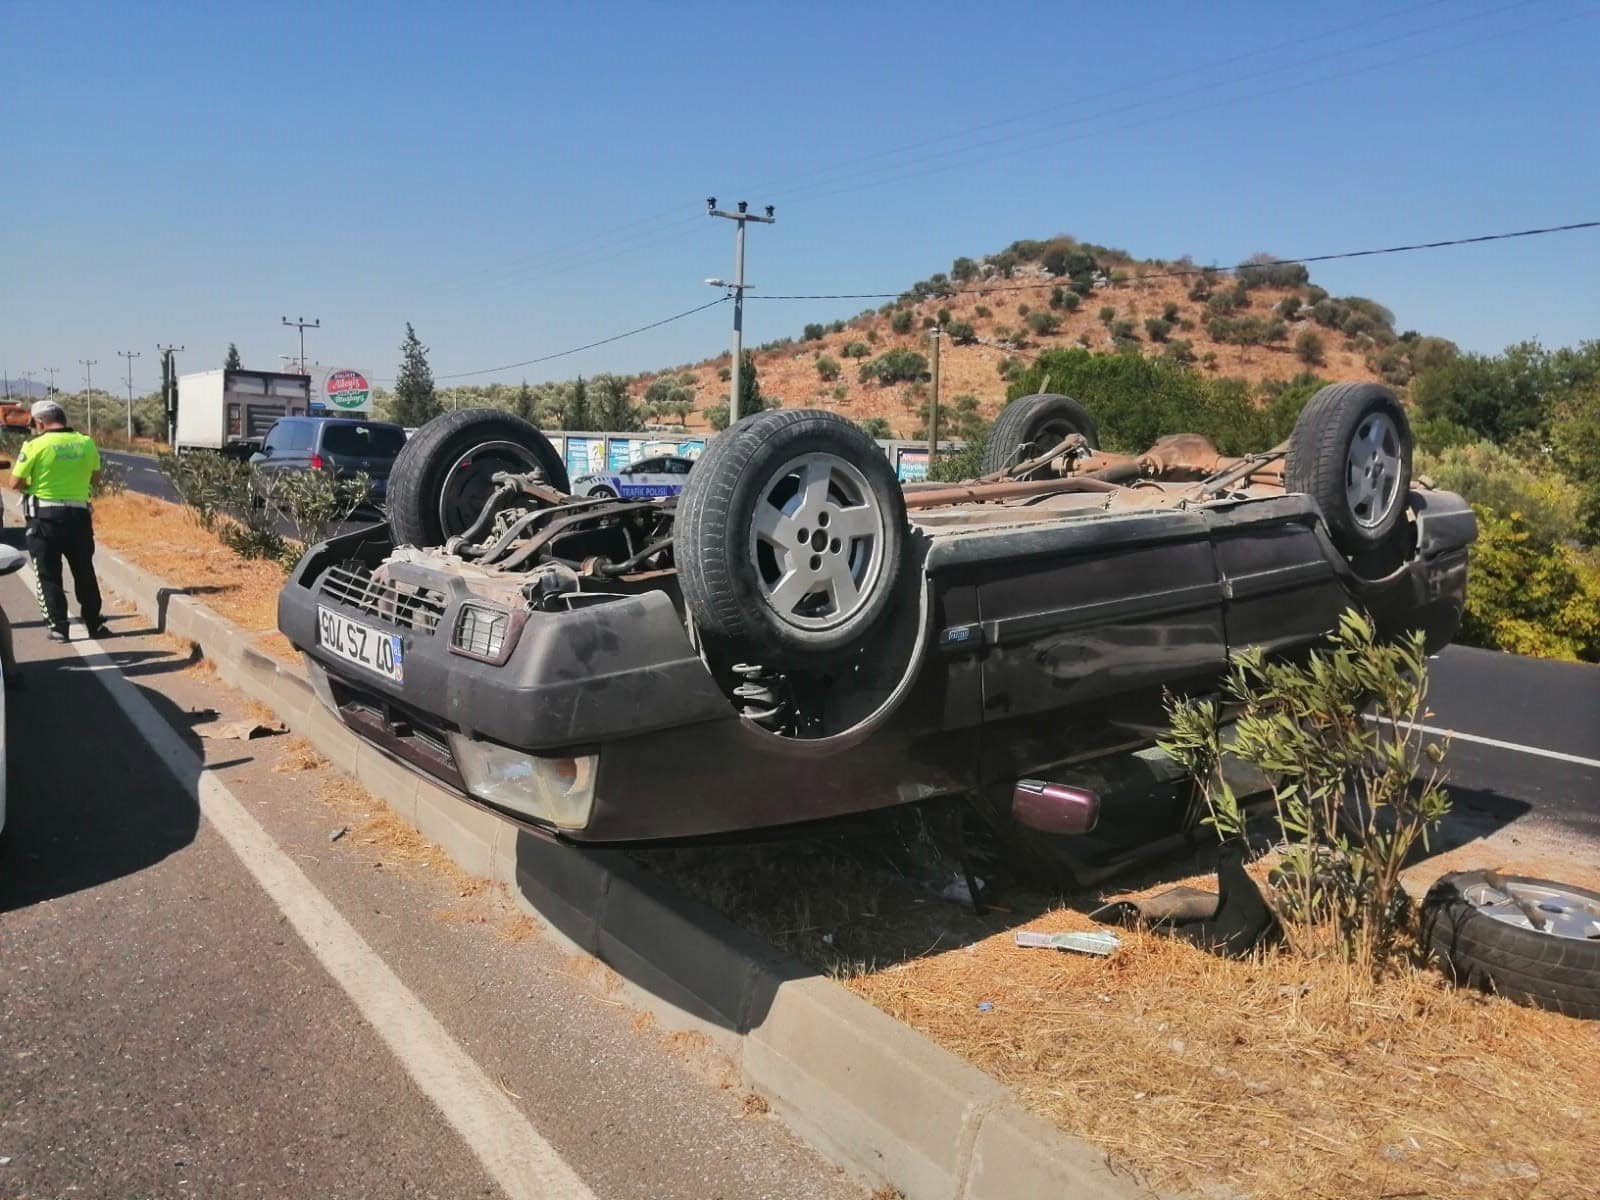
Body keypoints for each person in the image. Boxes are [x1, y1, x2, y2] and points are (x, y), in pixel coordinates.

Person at [7, 400, 107, 642]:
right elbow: (95, 478)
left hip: (44, 518)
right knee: (84, 570)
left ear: (40, 422)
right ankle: (94, 623)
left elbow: (14, 483)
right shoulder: (85, 442)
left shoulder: (35, 445)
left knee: (48, 573)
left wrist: (37, 484)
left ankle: (58, 627)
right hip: (79, 516)